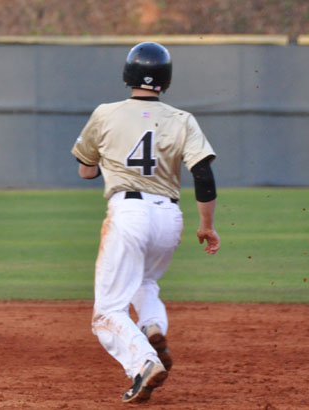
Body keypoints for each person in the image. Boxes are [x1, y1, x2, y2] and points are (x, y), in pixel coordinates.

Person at [71, 42, 220, 403]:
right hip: (169, 215)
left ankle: (144, 363)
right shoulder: (182, 119)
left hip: (129, 213)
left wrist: (103, 161)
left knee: (107, 311)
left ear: (127, 76)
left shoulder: (105, 113)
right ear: (165, 82)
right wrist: (207, 226)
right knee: (146, 281)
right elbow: (202, 174)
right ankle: (152, 326)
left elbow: (85, 170)